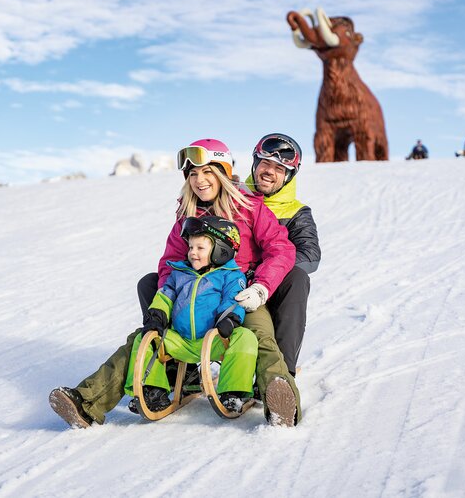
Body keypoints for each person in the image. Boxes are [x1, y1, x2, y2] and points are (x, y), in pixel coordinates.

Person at [50, 138, 300, 429]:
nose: (199, 180)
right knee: (141, 339)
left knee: (259, 335)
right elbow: (169, 263)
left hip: (237, 294)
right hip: (192, 294)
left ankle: (281, 405)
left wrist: (260, 287)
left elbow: (281, 249)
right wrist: (165, 304)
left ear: (221, 172)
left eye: (207, 172)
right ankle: (86, 402)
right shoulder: (186, 217)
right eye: (193, 174)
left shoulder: (249, 208)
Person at [124, 216, 258, 414]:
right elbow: (165, 295)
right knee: (145, 338)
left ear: (221, 250)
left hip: (215, 340)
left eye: (200, 248)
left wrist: (229, 319)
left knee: (246, 338)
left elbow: (232, 300)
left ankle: (233, 393)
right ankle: (151, 390)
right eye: (191, 247)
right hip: (181, 341)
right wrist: (157, 316)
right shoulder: (180, 273)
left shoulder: (230, 275)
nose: (192, 253)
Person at [242, 133, 321, 378]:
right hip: (229, 279)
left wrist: (264, 274)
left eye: (278, 168)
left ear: (288, 175)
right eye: (265, 163)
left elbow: (310, 254)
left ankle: (281, 375)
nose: (269, 171)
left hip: (272, 290)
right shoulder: (234, 199)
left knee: (297, 278)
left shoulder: (296, 212)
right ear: (255, 164)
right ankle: (179, 369)